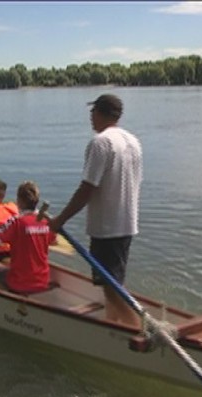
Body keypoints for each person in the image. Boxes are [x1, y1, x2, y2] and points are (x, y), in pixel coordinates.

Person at [48, 94, 143, 328]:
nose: (90, 117)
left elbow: (87, 188)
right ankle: (112, 326)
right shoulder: (133, 141)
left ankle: (139, 330)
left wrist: (60, 220)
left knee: (109, 287)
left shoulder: (100, 142)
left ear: (99, 113)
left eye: (92, 112)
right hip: (127, 223)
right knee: (114, 282)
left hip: (106, 227)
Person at [0, 181, 56, 294]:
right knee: (5, 261)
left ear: (19, 200)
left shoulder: (17, 221)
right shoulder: (46, 221)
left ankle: (0, 298)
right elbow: (54, 241)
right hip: (43, 280)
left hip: (20, 283)